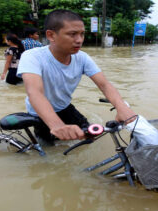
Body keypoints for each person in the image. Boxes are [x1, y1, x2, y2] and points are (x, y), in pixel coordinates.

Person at [17, 9, 136, 143]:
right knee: (49, 150)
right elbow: (35, 93)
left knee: (89, 137)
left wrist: (121, 107)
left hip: (65, 106)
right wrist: (56, 125)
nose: (79, 40)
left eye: (82, 34)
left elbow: (105, 85)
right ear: (51, 35)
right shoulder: (32, 56)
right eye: (72, 34)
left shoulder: (83, 58)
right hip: (40, 112)